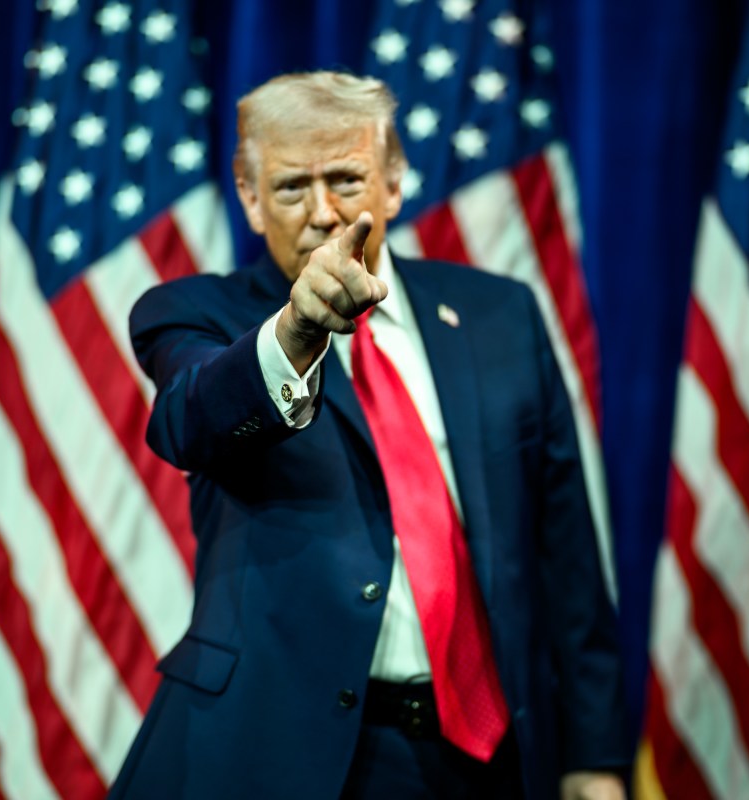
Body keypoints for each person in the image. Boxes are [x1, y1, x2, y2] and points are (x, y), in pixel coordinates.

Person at [108, 71, 628, 800]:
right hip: (290, 758)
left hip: (489, 759)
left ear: (393, 182)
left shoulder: (500, 315)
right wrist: (294, 335)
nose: (323, 212)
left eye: (347, 179)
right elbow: (192, 420)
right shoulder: (197, 314)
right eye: (291, 188)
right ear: (251, 200)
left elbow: (565, 553)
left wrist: (595, 755)